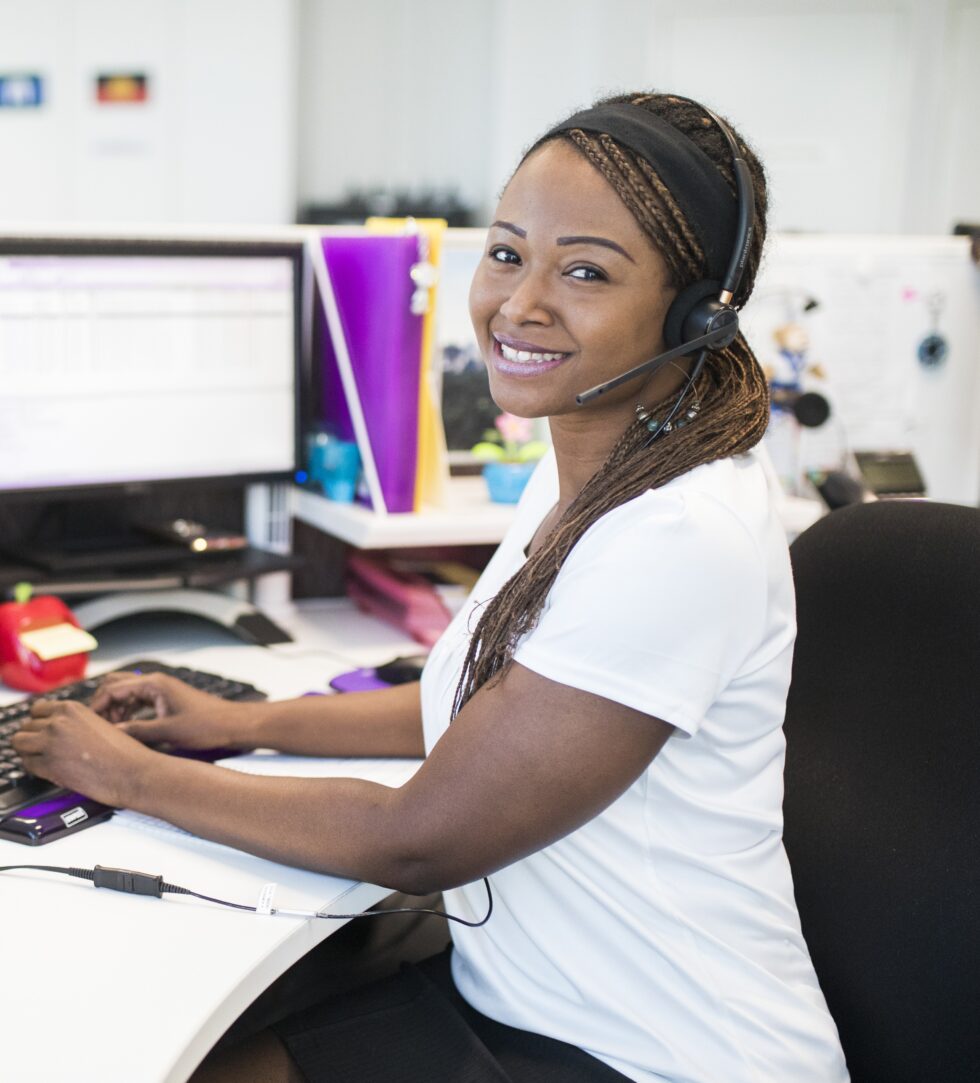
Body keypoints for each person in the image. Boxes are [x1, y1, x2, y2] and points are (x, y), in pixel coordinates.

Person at [13, 91, 850, 1083]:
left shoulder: (678, 534)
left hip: (651, 1054)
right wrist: (235, 721)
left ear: (695, 312)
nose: (520, 303)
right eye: (505, 253)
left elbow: (416, 843)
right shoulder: (589, 455)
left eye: (583, 271)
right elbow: (491, 710)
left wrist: (128, 775)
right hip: (521, 999)